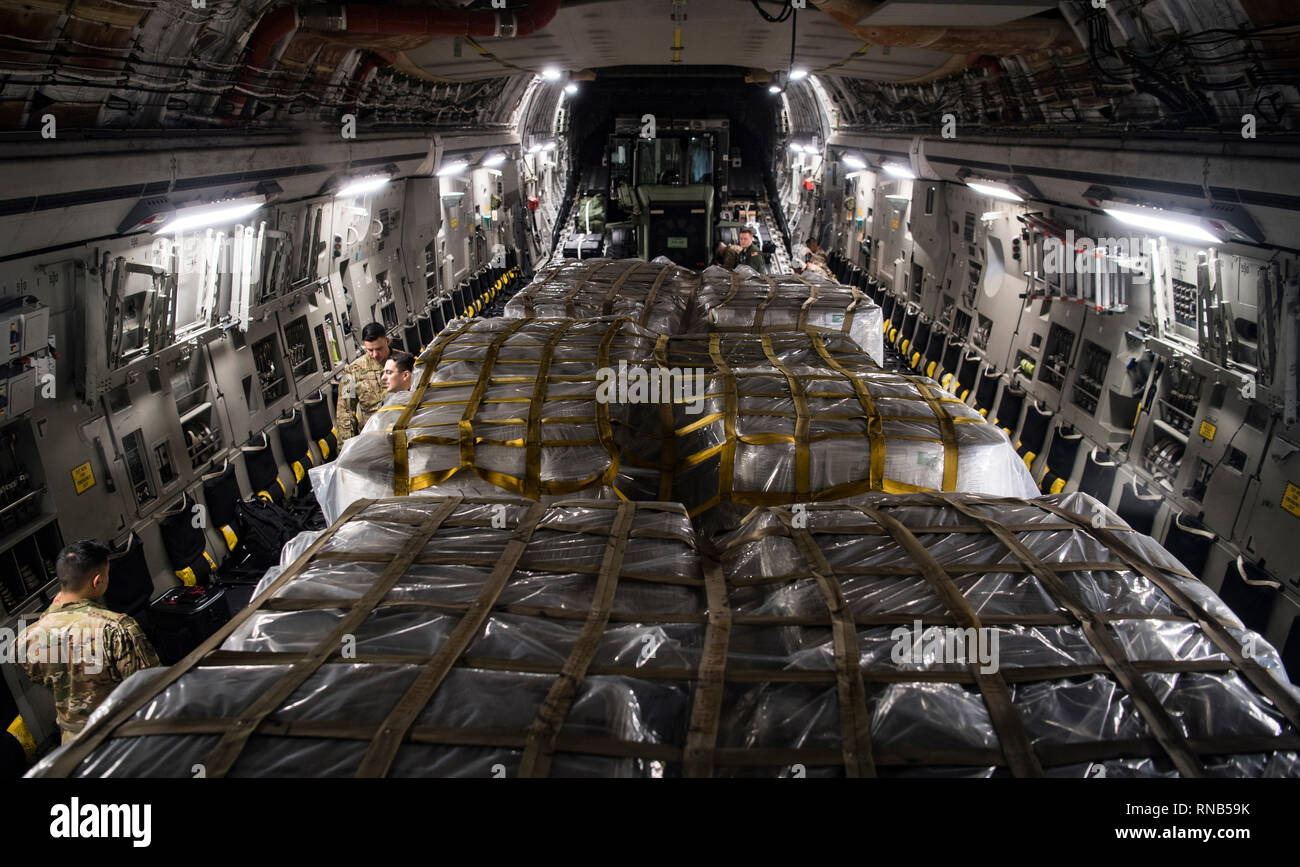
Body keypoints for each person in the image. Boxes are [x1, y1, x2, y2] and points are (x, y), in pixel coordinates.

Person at [18, 540, 159, 744]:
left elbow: (42, 677)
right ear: (98, 581)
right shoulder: (117, 628)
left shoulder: (26, 639)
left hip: (72, 742)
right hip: (120, 736)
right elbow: (149, 686)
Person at [335, 322, 391, 442]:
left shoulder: (404, 363)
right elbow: (345, 413)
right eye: (370, 350)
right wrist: (347, 448)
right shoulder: (351, 371)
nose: (375, 355)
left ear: (387, 341)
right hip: (373, 437)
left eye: (379, 349)